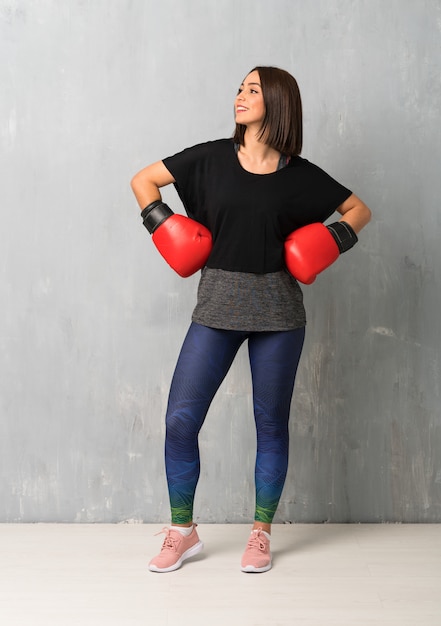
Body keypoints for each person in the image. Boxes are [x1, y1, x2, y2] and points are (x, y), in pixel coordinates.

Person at [130, 66, 371, 574]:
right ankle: (182, 531)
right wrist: (164, 225)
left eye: (252, 90)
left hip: (280, 316)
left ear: (277, 103)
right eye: (240, 88)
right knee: (179, 420)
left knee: (270, 425)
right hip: (216, 307)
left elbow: (358, 211)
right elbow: (144, 180)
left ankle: (260, 534)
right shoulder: (210, 158)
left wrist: (330, 241)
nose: (240, 96)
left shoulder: (301, 175)